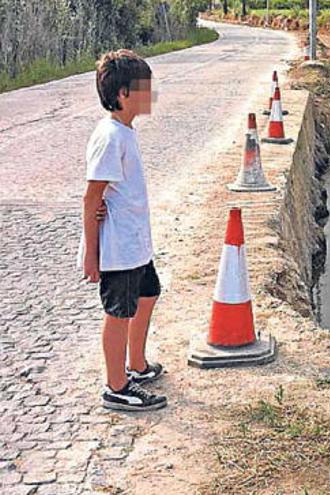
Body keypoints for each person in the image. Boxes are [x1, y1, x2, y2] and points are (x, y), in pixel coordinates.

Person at [79, 49, 166, 411]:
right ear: (122, 94)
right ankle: (117, 385)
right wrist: (91, 251)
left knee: (148, 294)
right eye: (144, 88)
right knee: (118, 313)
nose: (151, 94)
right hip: (119, 248)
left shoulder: (125, 132)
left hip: (136, 243)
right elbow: (91, 198)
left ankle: (137, 364)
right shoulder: (111, 136)